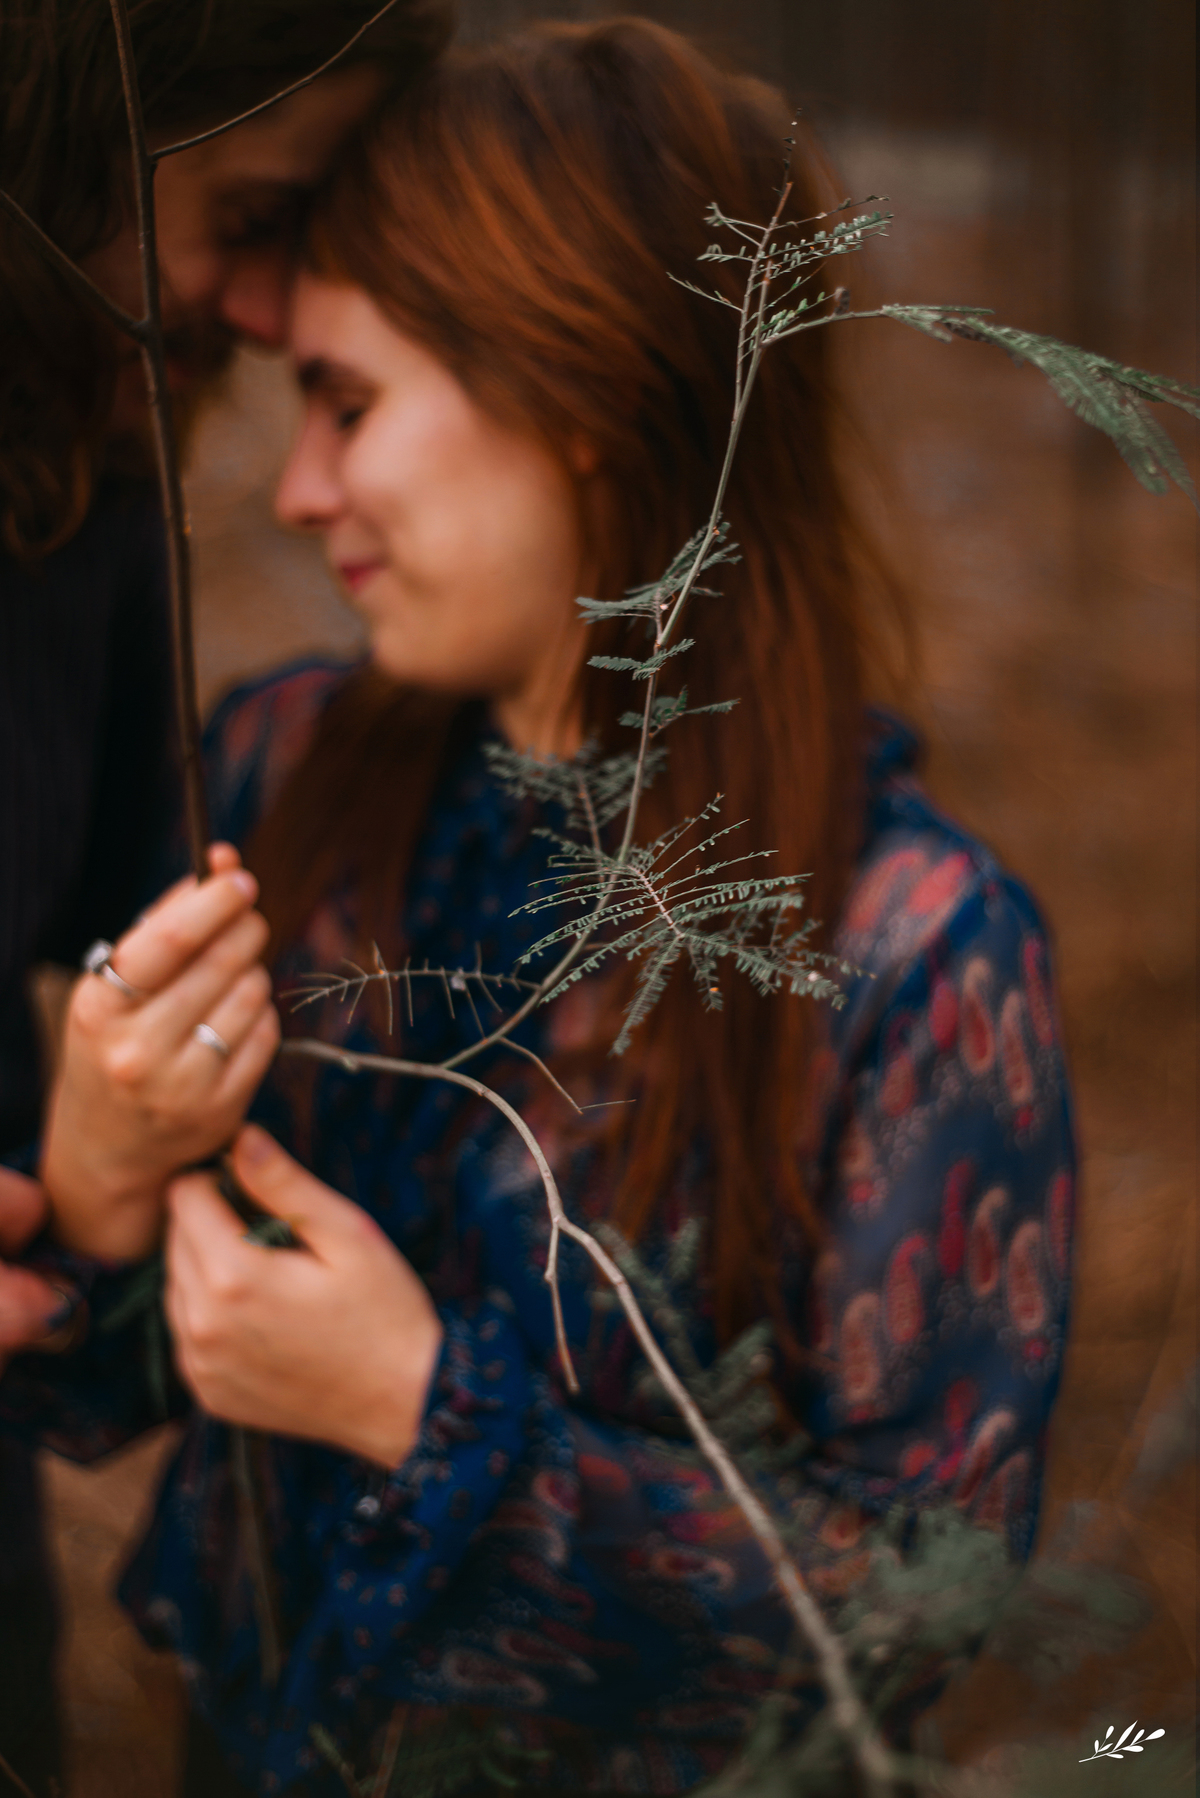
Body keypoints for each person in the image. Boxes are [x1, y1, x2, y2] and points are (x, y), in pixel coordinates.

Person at [5, 19, 1076, 1797]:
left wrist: (428, 1419)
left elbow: (914, 1622)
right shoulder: (281, 787)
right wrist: (106, 1178)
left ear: (580, 398)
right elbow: (123, 1384)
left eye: (350, 408)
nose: (295, 491)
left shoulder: (916, 958)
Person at [0, 3, 453, 1790]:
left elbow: (124, 958)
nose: (261, 315)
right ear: (69, 134)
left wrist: (110, 1168)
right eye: (252, 211)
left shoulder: (77, 490)